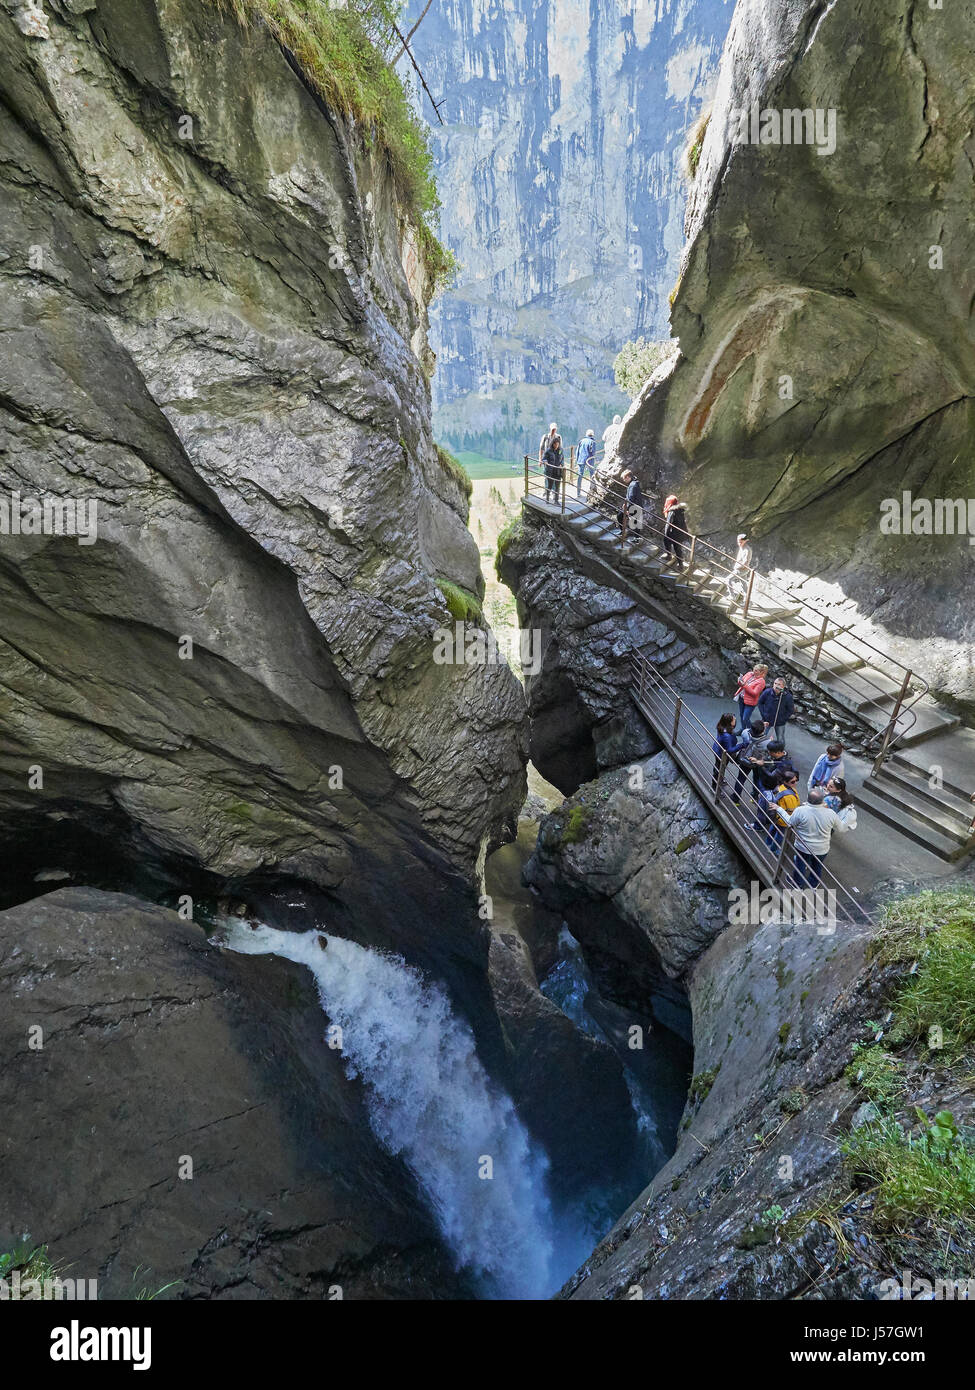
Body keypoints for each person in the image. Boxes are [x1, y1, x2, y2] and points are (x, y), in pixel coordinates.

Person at [782, 786, 857, 888]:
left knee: (800, 865)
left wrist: (779, 809)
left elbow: (789, 822)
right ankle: (813, 884)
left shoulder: (800, 810)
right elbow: (841, 827)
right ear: (822, 800)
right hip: (822, 849)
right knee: (817, 866)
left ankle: (797, 884)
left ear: (808, 799)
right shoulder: (831, 814)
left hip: (803, 846)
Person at [732, 718, 774, 802]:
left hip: (746, 759)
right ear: (763, 730)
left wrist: (761, 725)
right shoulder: (768, 742)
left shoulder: (745, 733)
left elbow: (749, 730)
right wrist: (771, 740)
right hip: (757, 762)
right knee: (757, 779)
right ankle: (755, 796)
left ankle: (735, 798)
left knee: (741, 779)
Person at [764, 770, 802, 853]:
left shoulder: (780, 787)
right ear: (785, 781)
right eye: (792, 782)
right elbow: (792, 809)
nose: (795, 783)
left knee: (773, 828)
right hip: (784, 818)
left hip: (776, 815)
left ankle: (768, 842)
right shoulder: (789, 796)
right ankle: (774, 849)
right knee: (780, 835)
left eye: (796, 780)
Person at [712, 712, 746, 793]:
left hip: (718, 750)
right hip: (722, 754)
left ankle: (718, 781)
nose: (735, 721)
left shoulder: (722, 726)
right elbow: (730, 750)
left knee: (718, 767)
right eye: (734, 720)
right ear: (729, 722)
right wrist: (742, 745)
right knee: (719, 769)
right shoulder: (726, 735)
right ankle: (715, 787)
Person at [757, 676, 795, 744]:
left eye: (779, 684)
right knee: (761, 735)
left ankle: (780, 751)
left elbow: (790, 710)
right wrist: (763, 714)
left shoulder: (788, 697)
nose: (776, 686)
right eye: (775, 683)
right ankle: (759, 747)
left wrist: (783, 719)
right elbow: (760, 702)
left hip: (780, 722)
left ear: (783, 686)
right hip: (767, 719)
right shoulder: (767, 692)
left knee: (780, 738)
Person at [733, 662, 767, 733]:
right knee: (742, 715)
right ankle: (743, 729)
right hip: (742, 698)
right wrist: (739, 681)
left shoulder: (761, 682)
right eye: (754, 669)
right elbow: (741, 684)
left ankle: (752, 731)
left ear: (760, 672)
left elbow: (754, 693)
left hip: (751, 702)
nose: (754, 671)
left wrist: (744, 685)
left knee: (745, 718)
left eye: (756, 670)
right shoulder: (749, 674)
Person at [663, 494, 690, 570]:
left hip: (674, 533)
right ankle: (680, 565)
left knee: (666, 541)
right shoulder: (680, 510)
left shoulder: (671, 511)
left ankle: (669, 556)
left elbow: (669, 523)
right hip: (680, 532)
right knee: (678, 548)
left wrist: (666, 533)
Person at [726, 532, 753, 603]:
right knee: (743, 585)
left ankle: (732, 596)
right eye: (738, 541)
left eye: (740, 542)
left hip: (741, 569)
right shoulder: (742, 547)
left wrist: (737, 567)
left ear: (745, 541)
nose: (739, 543)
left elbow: (745, 562)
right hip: (743, 569)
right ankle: (748, 602)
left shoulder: (747, 550)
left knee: (728, 579)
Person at [617, 469, 644, 539]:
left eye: (624, 478)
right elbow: (630, 497)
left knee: (620, 516)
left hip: (633, 506)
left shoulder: (632, 485)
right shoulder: (635, 482)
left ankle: (626, 533)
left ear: (628, 477)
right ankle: (636, 538)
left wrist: (627, 509)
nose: (624, 480)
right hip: (637, 505)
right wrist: (625, 504)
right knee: (636, 522)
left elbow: (631, 498)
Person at [542, 433, 565, 503]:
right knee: (550, 485)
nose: (556, 446)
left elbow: (562, 458)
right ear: (552, 444)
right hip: (551, 471)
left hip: (558, 471)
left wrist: (561, 464)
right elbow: (544, 459)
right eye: (555, 444)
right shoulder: (548, 451)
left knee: (557, 487)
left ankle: (556, 500)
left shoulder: (561, 450)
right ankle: (547, 498)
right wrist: (546, 463)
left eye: (558, 444)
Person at [576, 429, 596, 497]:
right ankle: (592, 490)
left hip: (581, 460)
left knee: (580, 475)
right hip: (589, 461)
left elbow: (577, 451)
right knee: (592, 475)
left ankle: (578, 492)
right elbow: (593, 452)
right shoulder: (592, 442)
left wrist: (577, 460)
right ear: (592, 435)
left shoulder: (581, 441)